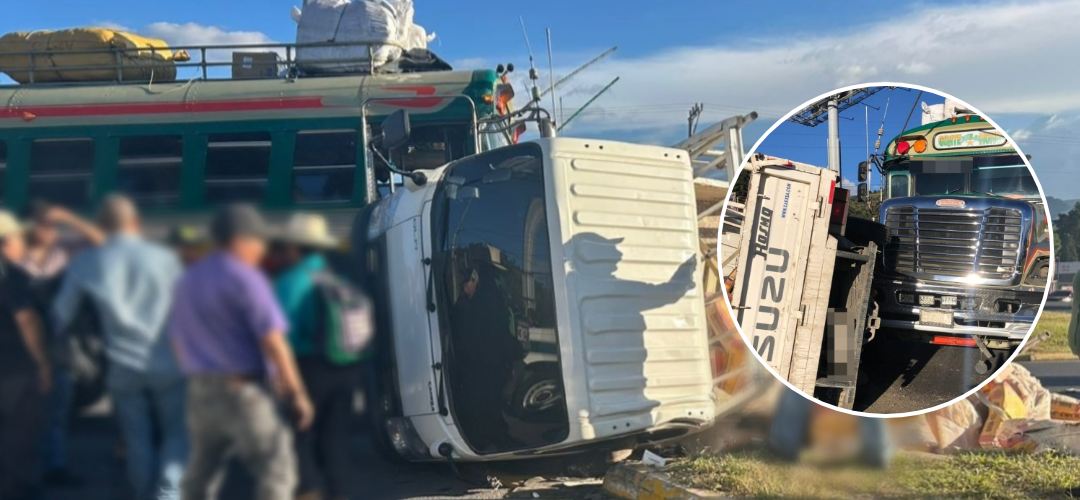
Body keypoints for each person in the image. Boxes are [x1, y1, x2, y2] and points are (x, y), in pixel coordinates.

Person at [169, 204, 314, 500]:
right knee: (276, 468)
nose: (261, 249)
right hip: (242, 391)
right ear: (240, 240)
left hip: (200, 390)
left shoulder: (189, 280)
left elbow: (176, 338)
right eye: (258, 241)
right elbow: (274, 342)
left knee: (202, 471)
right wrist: (297, 392)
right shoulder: (246, 279)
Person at [52, 195, 187, 500]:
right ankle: (168, 495)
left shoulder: (88, 262)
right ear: (135, 222)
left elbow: (61, 313)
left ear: (102, 225)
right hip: (167, 360)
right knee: (175, 435)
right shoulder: (163, 258)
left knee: (135, 437)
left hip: (122, 365)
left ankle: (142, 493)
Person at [271, 213, 360, 500]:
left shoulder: (288, 282)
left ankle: (309, 491)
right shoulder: (337, 276)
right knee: (336, 443)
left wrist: (283, 383)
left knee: (300, 440)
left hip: (307, 369)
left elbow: (279, 339)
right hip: (345, 366)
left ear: (295, 247)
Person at [19, 203, 104, 487]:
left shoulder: (64, 251)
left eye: (52, 226)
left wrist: (67, 216)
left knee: (57, 409)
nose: (50, 231)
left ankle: (54, 467)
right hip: (19, 344)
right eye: (44, 225)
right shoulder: (13, 253)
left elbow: (101, 241)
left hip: (58, 344)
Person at [0, 211, 51, 500]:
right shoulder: (11, 276)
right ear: (5, 243)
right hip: (14, 372)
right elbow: (26, 319)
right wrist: (43, 363)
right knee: (19, 440)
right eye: (20, 238)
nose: (23, 244)